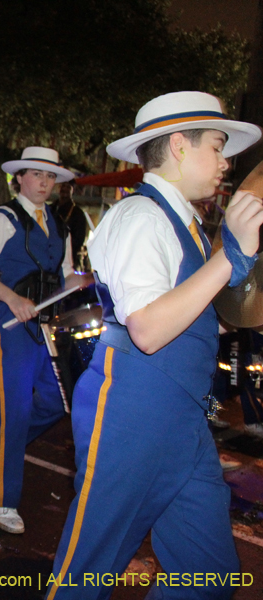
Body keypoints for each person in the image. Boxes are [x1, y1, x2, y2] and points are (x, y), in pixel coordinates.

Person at [46, 91, 263, 599]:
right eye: (217, 145)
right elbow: (145, 328)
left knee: (207, 574)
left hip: (182, 418)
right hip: (133, 414)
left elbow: (186, 315)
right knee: (87, 574)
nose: (226, 161)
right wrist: (231, 258)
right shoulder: (139, 217)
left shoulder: (182, 221)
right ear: (181, 147)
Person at [0, 146, 79, 535]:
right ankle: (1, 500)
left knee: (55, 401)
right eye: (36, 175)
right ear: (19, 179)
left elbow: (65, 278)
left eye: (50, 177)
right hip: (9, 322)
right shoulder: (4, 219)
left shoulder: (61, 227)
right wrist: (12, 298)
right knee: (13, 409)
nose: (45, 183)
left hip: (45, 326)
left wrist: (87, 280)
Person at [51, 181, 90, 271]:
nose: (65, 189)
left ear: (72, 190)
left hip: (68, 259)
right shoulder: (50, 209)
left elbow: (79, 239)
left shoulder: (78, 214)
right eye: (63, 186)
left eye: (68, 187)